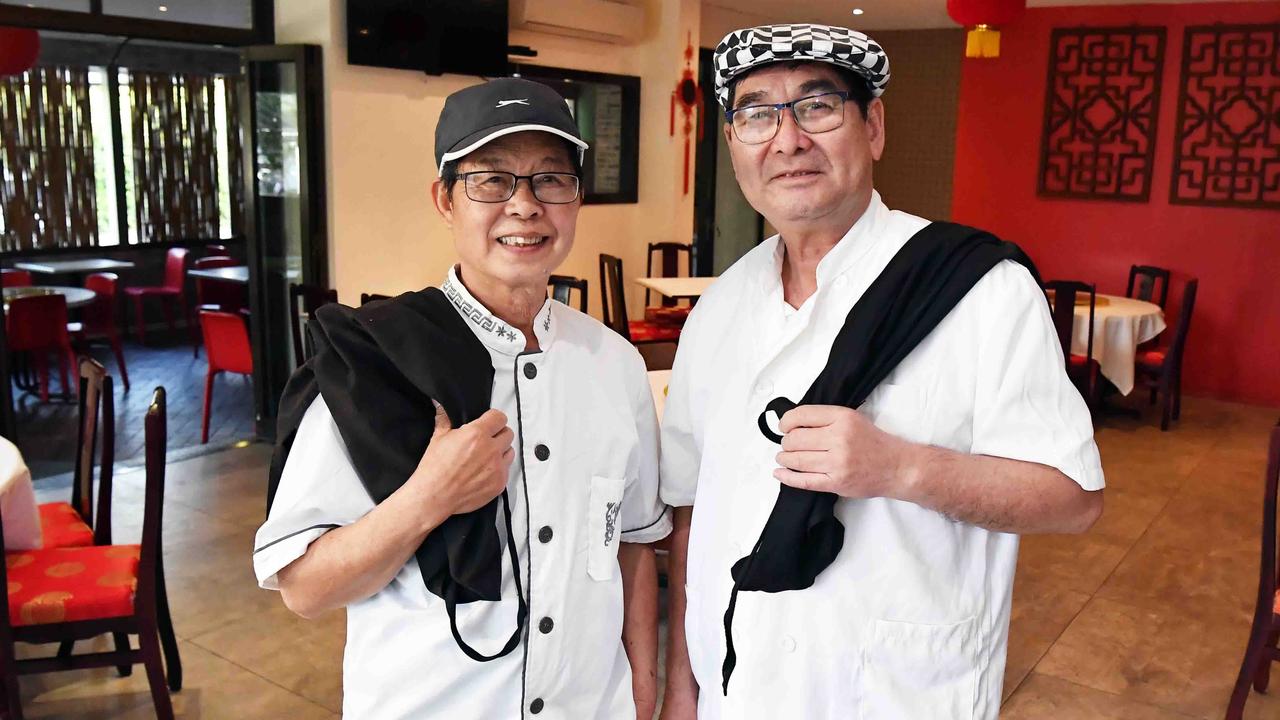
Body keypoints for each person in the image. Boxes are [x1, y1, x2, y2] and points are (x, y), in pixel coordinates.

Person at [658, 24, 1104, 720]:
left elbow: (1073, 499)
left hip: (894, 693)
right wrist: (684, 684)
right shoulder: (719, 307)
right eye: (756, 114)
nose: (787, 139)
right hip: (735, 686)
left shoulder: (980, 288)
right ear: (735, 146)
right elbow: (690, 507)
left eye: (817, 106)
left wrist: (901, 469)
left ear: (874, 128)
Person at [253, 77, 670, 719]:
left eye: (551, 179)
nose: (525, 206)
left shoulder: (613, 363)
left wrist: (644, 691)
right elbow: (304, 588)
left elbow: (635, 544)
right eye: (491, 180)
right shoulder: (378, 363)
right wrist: (431, 495)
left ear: (577, 198)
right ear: (444, 200)